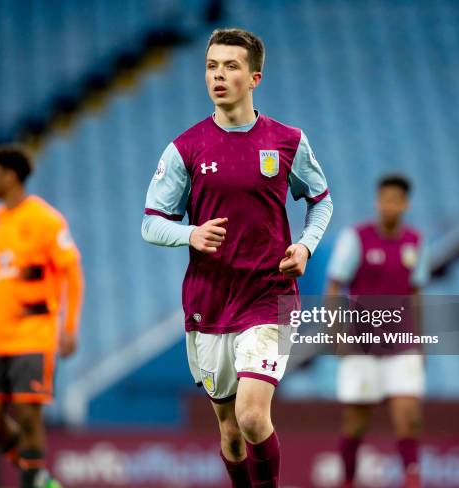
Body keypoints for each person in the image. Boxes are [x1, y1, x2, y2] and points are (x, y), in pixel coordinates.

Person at [142, 28, 333, 488]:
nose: (218, 75)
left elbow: (321, 200)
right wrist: (191, 233)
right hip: (209, 302)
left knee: (251, 416)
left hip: (268, 298)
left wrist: (305, 245)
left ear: (255, 78)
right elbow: (151, 222)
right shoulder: (186, 148)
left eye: (230, 66)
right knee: (230, 435)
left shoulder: (288, 141)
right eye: (211, 66)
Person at [0, 144, 84, 488]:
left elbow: (72, 271)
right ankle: (37, 475)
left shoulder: (46, 220)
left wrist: (69, 326)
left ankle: (33, 482)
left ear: (9, 176)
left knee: (27, 413)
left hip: (33, 333)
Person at [327, 174, 429, 488]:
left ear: (405, 204)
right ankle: (347, 480)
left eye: (396, 200)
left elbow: (415, 294)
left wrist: (421, 342)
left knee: (408, 416)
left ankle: (412, 480)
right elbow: (334, 287)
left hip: (402, 343)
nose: (389, 205)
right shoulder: (355, 238)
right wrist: (336, 333)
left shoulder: (415, 242)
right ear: (377, 200)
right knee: (356, 424)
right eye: (384, 198)